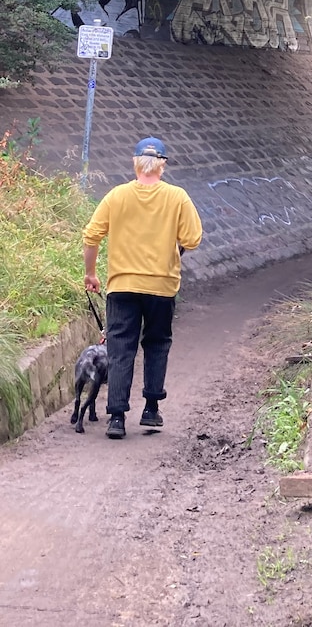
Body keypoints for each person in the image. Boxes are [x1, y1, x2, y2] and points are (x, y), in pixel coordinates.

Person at [83, 136, 203, 440]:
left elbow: (91, 236)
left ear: (135, 164)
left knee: (121, 348)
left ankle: (117, 418)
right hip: (161, 286)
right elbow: (192, 239)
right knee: (157, 343)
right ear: (161, 166)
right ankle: (150, 409)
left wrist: (91, 274)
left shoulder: (116, 196)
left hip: (122, 285)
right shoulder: (177, 197)